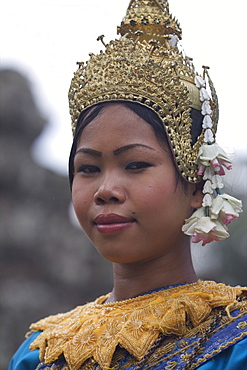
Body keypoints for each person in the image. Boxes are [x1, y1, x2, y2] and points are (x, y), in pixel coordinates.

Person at [9, 1, 247, 369]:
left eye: (135, 165)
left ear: (198, 182)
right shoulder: (38, 352)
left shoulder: (236, 342)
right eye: (88, 168)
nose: (106, 189)